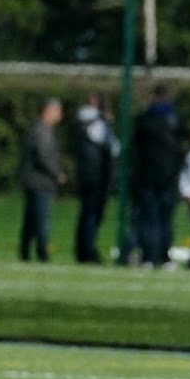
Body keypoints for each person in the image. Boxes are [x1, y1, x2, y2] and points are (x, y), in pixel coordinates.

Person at [131, 84, 186, 268]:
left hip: (147, 175)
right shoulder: (176, 119)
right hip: (169, 175)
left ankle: (148, 256)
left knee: (149, 217)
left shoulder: (145, 118)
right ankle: (164, 256)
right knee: (166, 218)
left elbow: (136, 147)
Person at [17, 97, 66, 263]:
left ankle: (25, 252)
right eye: (58, 111)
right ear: (48, 111)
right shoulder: (42, 131)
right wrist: (57, 173)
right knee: (41, 221)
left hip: (35, 182)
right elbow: (43, 156)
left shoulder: (42, 130)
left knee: (32, 221)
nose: (60, 115)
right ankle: (42, 253)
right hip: (40, 183)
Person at [72, 92, 117, 264]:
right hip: (97, 174)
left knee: (86, 213)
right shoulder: (96, 122)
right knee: (92, 214)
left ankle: (84, 249)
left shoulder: (82, 120)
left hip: (87, 173)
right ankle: (88, 251)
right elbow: (110, 146)